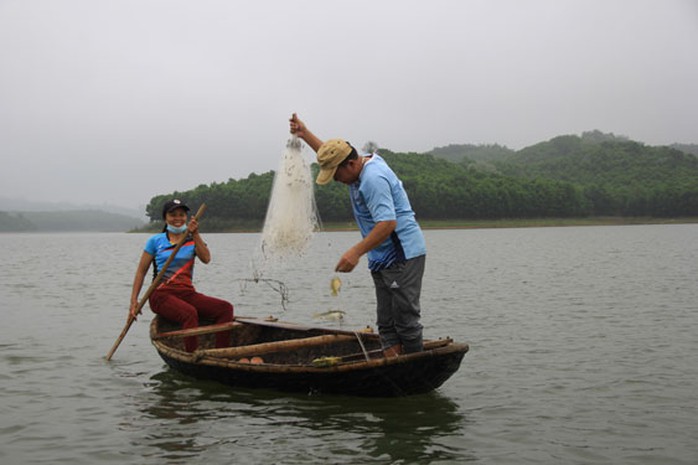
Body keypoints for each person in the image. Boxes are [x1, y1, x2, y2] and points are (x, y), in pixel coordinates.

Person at [289, 113, 427, 357]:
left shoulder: (372, 179)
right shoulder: (355, 165)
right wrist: (304, 133)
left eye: (337, 175)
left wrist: (355, 251)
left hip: (402, 255)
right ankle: (394, 367)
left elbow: (387, 223)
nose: (336, 181)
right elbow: (331, 155)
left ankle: (416, 366)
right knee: (386, 323)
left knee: (405, 320)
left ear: (351, 165)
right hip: (381, 256)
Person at [129, 199, 233, 352]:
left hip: (187, 293)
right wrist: (134, 302)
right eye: (173, 215)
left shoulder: (191, 239)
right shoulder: (155, 241)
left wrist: (196, 234)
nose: (178, 218)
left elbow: (206, 259)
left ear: (187, 217)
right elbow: (141, 271)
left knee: (225, 309)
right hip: (160, 294)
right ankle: (192, 354)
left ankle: (221, 352)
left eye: (181, 215)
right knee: (189, 313)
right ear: (165, 218)